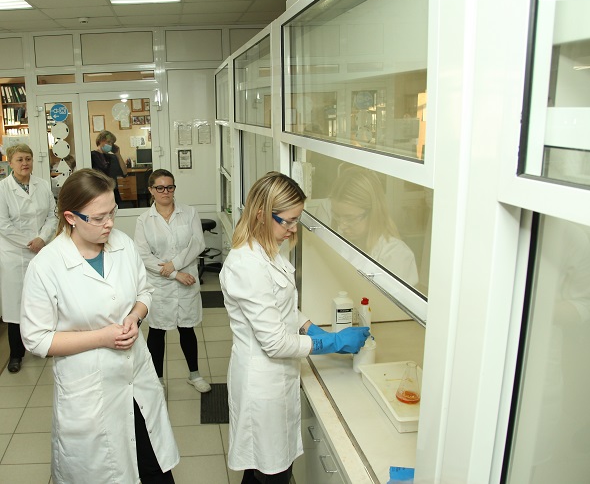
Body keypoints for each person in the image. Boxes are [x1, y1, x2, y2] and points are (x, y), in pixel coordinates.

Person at [20, 169, 179, 484]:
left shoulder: (123, 244)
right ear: (71, 217)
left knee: (154, 469)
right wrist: (102, 338)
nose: (109, 224)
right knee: (104, 471)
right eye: (98, 217)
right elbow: (36, 340)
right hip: (90, 391)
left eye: (112, 213)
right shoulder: (46, 265)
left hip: (136, 381)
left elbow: (145, 292)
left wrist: (135, 316)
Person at [220, 171, 370, 484]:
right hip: (262, 383)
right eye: (287, 221)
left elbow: (279, 303)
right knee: (271, 473)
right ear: (261, 214)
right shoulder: (246, 264)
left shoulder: (268, 249)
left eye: (296, 220)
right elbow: (275, 343)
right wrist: (332, 343)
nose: (292, 229)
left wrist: (310, 327)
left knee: (266, 470)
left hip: (278, 378)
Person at [134, 169, 211, 394]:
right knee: (157, 332)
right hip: (160, 284)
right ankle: (157, 378)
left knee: (187, 329)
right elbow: (143, 255)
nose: (165, 191)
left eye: (170, 187)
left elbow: (197, 243)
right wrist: (175, 273)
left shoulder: (189, 213)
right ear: (151, 190)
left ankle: (194, 375)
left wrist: (174, 264)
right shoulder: (144, 220)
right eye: (160, 188)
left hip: (186, 279)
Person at [0, 144, 57, 373]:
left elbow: (52, 215)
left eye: (28, 159)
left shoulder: (42, 185)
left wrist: (42, 239)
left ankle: (42, 344)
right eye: (20, 159)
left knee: (42, 300)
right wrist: (29, 242)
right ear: (10, 162)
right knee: (16, 304)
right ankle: (16, 354)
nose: (25, 163)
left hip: (41, 250)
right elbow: (3, 224)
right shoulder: (3, 188)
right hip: (15, 254)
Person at [329, 166, 419, 286]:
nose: (342, 226)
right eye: (337, 216)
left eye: (350, 218)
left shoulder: (396, 256)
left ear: (373, 212)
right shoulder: (341, 240)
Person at [91, 130, 127, 205]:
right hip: (99, 191)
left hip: (113, 190)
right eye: (108, 142)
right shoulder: (92, 156)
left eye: (111, 143)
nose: (110, 145)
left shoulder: (113, 157)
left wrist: (118, 155)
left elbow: (124, 172)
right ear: (100, 141)